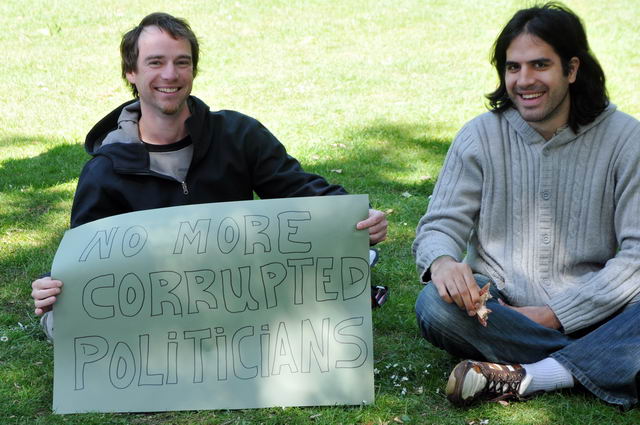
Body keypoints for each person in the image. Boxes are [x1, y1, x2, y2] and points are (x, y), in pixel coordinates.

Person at [31, 12, 387, 334]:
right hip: (160, 301)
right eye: (155, 62)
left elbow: (297, 190)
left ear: (193, 70)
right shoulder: (105, 169)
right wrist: (51, 284)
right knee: (61, 319)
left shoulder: (238, 135)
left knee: (325, 269)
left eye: (181, 62)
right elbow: (86, 257)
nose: (170, 75)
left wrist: (355, 217)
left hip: (241, 285)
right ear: (131, 73)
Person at [413, 2, 640, 410]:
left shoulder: (626, 139)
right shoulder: (480, 136)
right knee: (434, 305)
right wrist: (443, 263)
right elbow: (439, 225)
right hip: (498, 308)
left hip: (600, 306)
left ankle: (533, 375)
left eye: (540, 65)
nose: (524, 80)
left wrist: (556, 314)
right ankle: (602, 359)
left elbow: (637, 256)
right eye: (513, 67)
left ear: (572, 69)